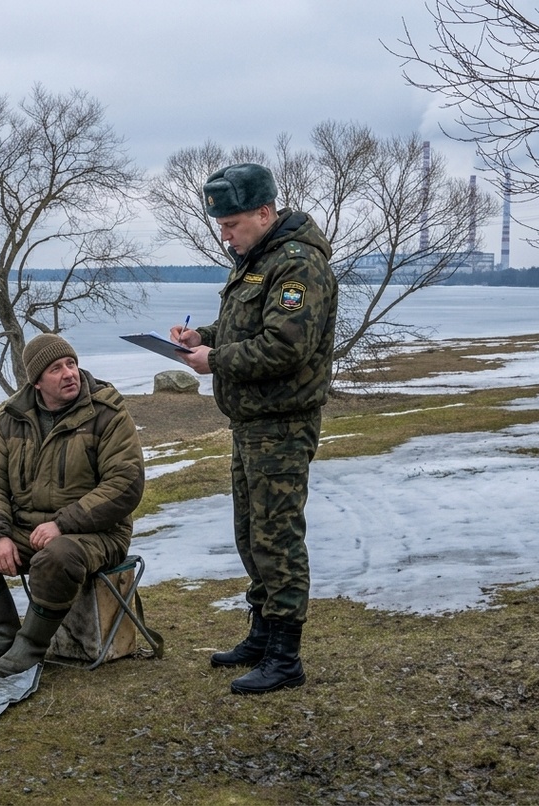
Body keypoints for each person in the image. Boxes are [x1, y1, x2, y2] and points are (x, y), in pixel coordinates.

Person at [169, 162, 337, 695]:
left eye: (232, 224)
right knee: (250, 534)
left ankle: (285, 657)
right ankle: (262, 636)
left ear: (266, 213)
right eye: (221, 225)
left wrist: (215, 359)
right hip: (251, 423)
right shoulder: (257, 260)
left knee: (278, 538)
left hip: (282, 423)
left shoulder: (298, 266)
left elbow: (286, 346)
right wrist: (203, 336)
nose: (225, 234)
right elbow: (248, 325)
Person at [0, 333, 145, 676]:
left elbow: (125, 484)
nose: (69, 373)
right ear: (37, 382)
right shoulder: (13, 418)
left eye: (72, 364)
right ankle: (4, 635)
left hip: (97, 532)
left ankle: (31, 645)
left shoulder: (107, 413)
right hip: (28, 531)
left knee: (58, 554)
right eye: (56, 368)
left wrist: (63, 524)